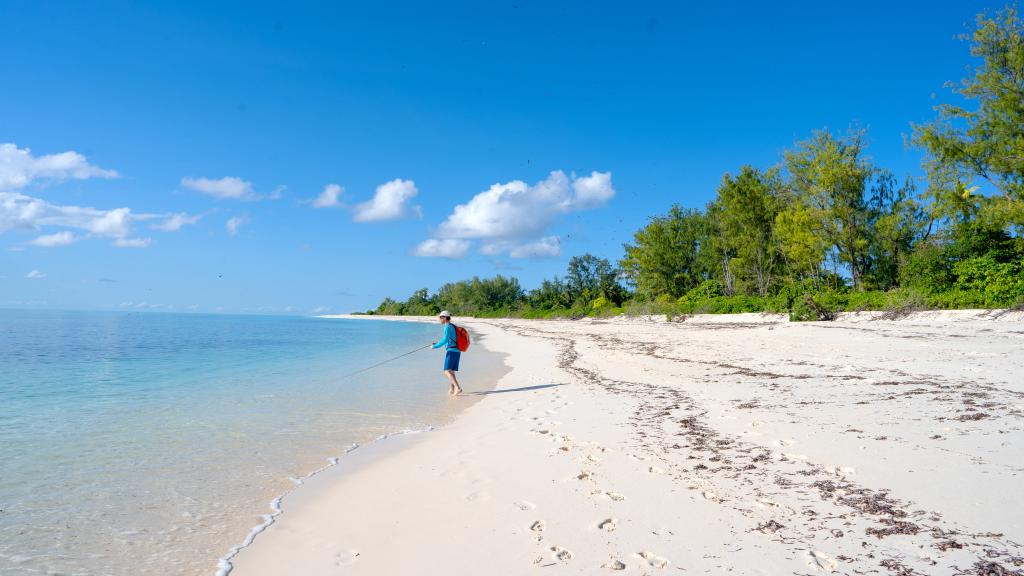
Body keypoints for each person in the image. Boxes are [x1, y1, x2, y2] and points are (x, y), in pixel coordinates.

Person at [432, 311, 463, 396]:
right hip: (457, 351)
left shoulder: (447, 327)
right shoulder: (452, 326)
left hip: (452, 351)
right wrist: (437, 343)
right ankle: (452, 389)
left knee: (446, 371)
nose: (439, 319)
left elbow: (445, 340)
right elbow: (448, 339)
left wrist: (435, 346)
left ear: (445, 318)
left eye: (440, 317)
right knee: (451, 371)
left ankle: (458, 388)